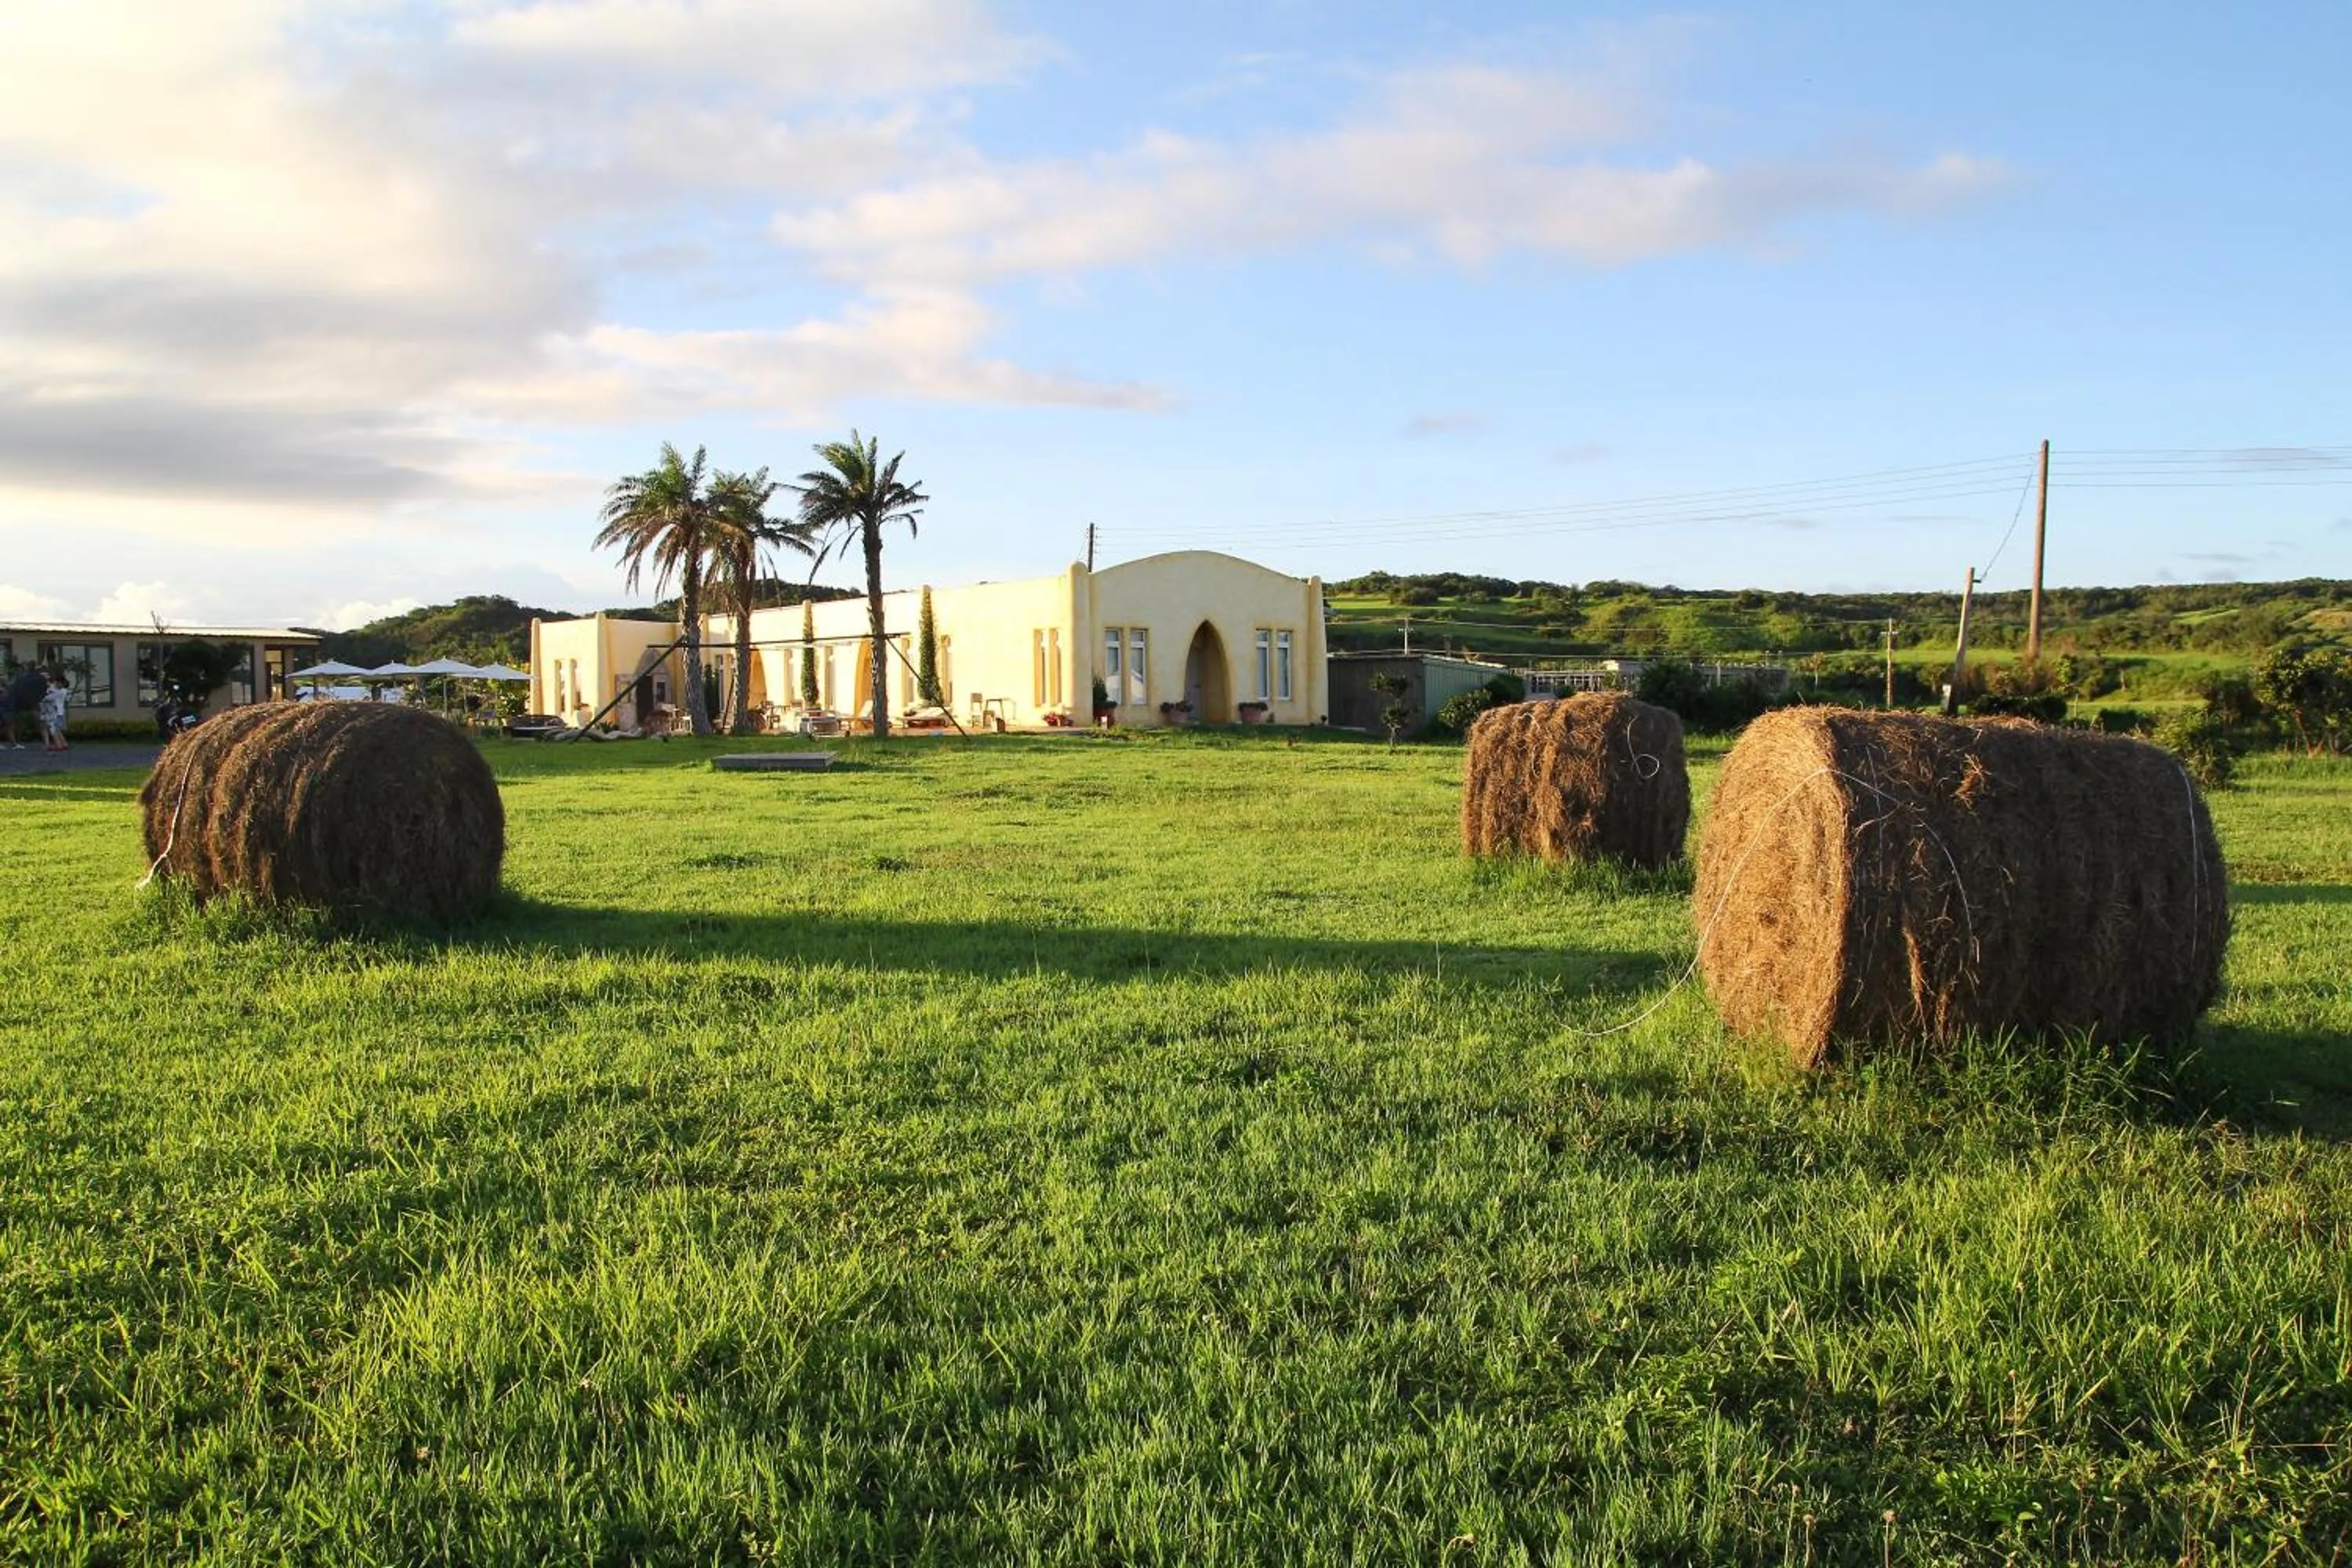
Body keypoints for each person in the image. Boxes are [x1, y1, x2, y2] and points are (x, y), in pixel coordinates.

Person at [5, 662, 44, 749]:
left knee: (13, 725)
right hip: (8, 706)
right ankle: (14, 744)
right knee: (10, 725)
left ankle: (15, 743)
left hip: (16, 706)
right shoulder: (12, 681)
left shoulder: (20, 680)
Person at [38, 670, 69, 752]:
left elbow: (47, 698)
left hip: (55, 712)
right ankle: (63, 743)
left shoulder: (59, 691)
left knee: (53, 729)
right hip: (58, 712)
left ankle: (58, 745)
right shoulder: (63, 691)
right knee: (57, 730)